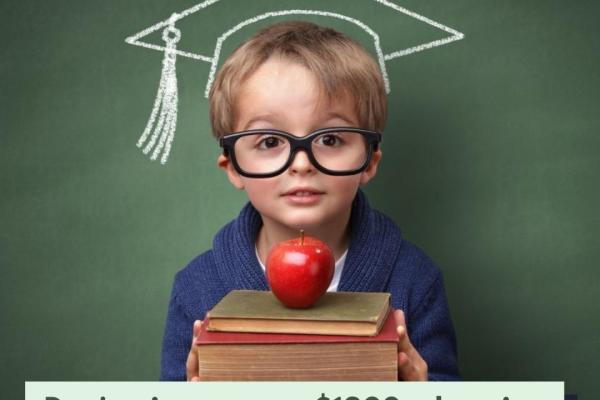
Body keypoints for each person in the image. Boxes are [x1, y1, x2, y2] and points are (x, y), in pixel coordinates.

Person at [160, 20, 460, 381]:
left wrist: (423, 388)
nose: (301, 164)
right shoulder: (197, 288)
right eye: (270, 142)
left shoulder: (414, 280)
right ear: (233, 167)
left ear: (370, 160)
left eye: (330, 139)